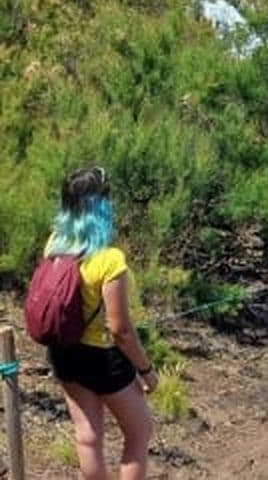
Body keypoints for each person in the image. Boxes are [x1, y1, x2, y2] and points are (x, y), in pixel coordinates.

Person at [45, 166, 157, 480]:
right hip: (103, 360)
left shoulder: (54, 245)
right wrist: (146, 371)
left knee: (88, 436)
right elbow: (120, 330)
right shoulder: (109, 260)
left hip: (64, 351)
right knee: (138, 433)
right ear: (101, 206)